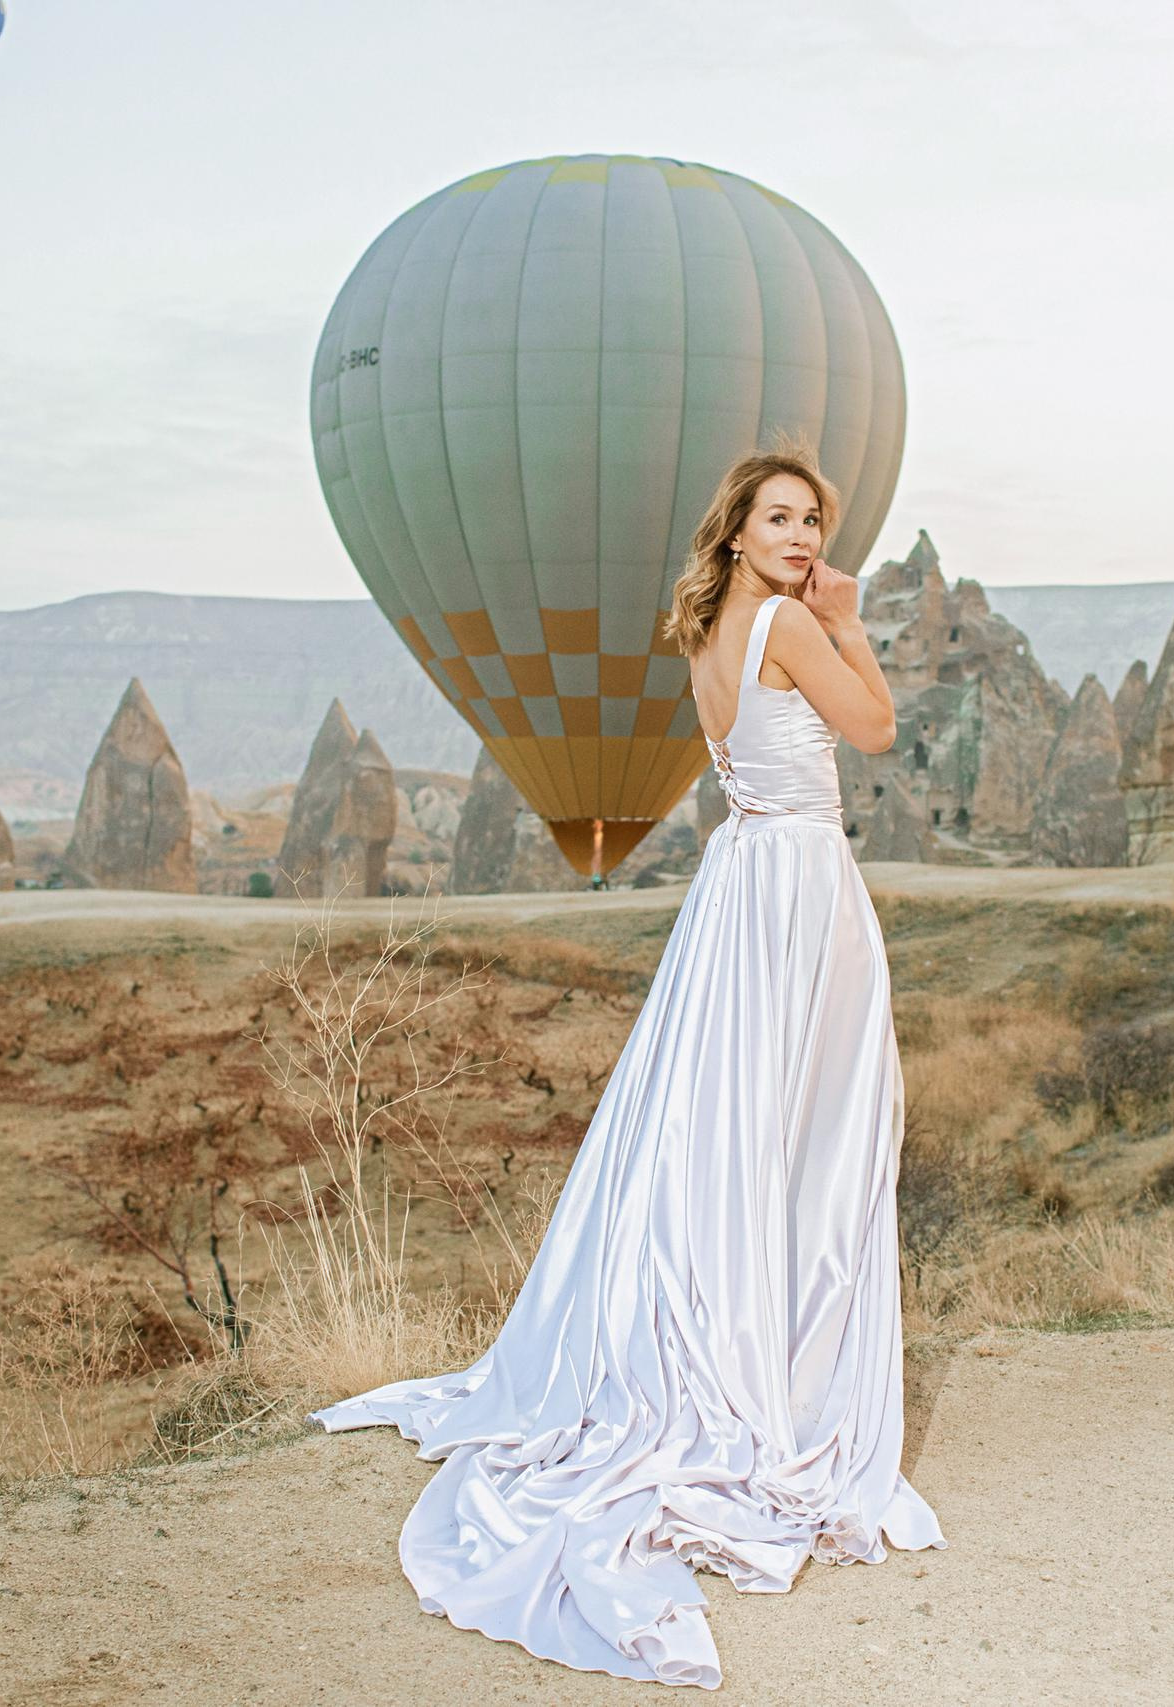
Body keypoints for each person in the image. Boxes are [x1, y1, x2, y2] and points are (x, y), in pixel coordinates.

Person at [312, 444, 945, 1688]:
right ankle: (773, 1377)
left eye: (814, 519)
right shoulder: (786, 621)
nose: (805, 535)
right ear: (738, 531)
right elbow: (871, 727)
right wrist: (850, 621)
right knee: (806, 1130)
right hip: (798, 889)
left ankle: (733, 1341)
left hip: (740, 889)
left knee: (730, 1128)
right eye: (781, 517)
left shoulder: (714, 629)